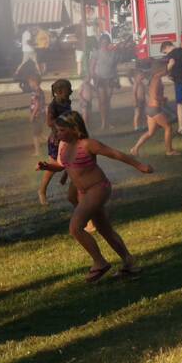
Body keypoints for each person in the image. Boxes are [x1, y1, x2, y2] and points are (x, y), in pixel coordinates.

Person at [36, 111, 153, 282]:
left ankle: (100, 262)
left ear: (74, 129)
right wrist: (47, 166)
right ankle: (129, 263)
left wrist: (140, 165)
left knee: (75, 228)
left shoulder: (88, 144)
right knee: (105, 229)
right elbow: (62, 166)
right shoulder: (63, 145)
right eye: (56, 130)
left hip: (98, 188)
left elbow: (115, 154)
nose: (57, 134)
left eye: (61, 130)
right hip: (84, 192)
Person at [130, 60, 178, 157]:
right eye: (165, 69)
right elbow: (154, 95)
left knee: (151, 132)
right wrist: (163, 98)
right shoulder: (156, 79)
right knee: (168, 128)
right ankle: (169, 151)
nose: (167, 71)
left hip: (149, 108)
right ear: (161, 69)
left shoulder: (155, 78)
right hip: (155, 109)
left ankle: (135, 148)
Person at [38, 79, 73, 205]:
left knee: (74, 158)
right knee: (53, 166)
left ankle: (65, 174)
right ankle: (42, 191)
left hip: (67, 138)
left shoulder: (67, 102)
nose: (71, 91)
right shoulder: (53, 106)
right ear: (59, 91)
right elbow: (49, 122)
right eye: (68, 90)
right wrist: (64, 122)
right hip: (56, 140)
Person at [91, 35, 119, 130]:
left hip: (110, 79)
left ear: (109, 42)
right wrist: (94, 78)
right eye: (103, 41)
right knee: (102, 101)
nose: (104, 43)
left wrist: (116, 79)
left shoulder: (113, 53)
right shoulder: (96, 53)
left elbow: (115, 68)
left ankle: (108, 122)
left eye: (106, 41)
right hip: (100, 79)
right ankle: (103, 123)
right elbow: (92, 67)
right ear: (100, 42)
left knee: (108, 101)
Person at [28, 75, 46, 156]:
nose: (29, 84)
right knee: (40, 134)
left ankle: (37, 152)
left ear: (35, 82)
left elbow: (37, 104)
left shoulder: (35, 92)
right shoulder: (40, 91)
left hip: (37, 115)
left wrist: (32, 115)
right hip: (41, 114)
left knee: (35, 135)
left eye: (30, 82)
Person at [131, 61, 150, 133]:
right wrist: (135, 101)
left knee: (142, 113)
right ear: (136, 77)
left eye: (142, 75)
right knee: (137, 113)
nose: (142, 77)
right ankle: (136, 126)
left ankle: (142, 125)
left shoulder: (142, 83)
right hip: (138, 101)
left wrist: (146, 100)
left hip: (142, 100)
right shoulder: (136, 84)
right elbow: (134, 93)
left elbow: (144, 92)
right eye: (141, 75)